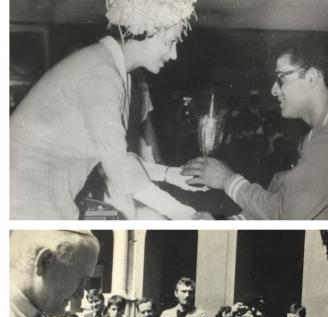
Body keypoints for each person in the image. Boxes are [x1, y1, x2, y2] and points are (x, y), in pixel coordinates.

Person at [9, 0, 202, 220]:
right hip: (23, 198)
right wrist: (186, 214)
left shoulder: (113, 69)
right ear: (146, 31)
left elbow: (114, 158)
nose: (174, 54)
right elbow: (119, 168)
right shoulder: (102, 73)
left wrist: (170, 175)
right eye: (170, 42)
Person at [182, 37, 328, 220]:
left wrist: (227, 180)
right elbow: (283, 201)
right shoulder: (320, 133)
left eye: (281, 78)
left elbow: (287, 215)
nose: (274, 90)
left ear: (312, 77)